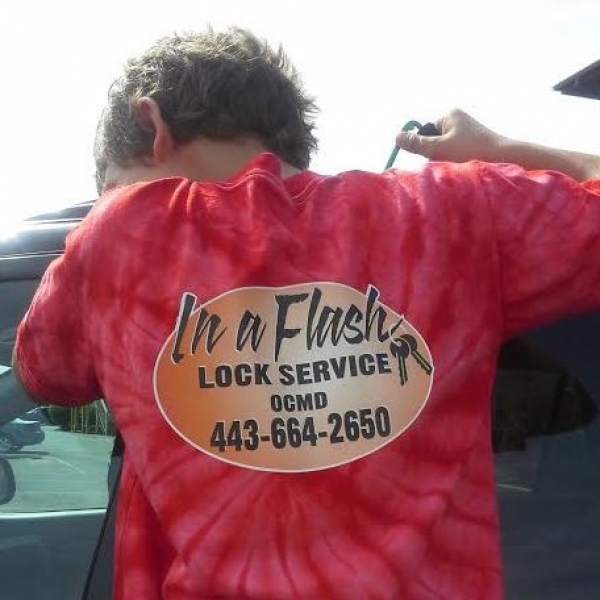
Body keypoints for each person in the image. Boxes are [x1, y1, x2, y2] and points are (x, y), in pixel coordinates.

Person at [11, 26, 600, 599]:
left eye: (113, 186)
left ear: (153, 124)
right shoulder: (454, 211)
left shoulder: (119, 236)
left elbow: (45, 373)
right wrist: (500, 150)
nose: (112, 203)